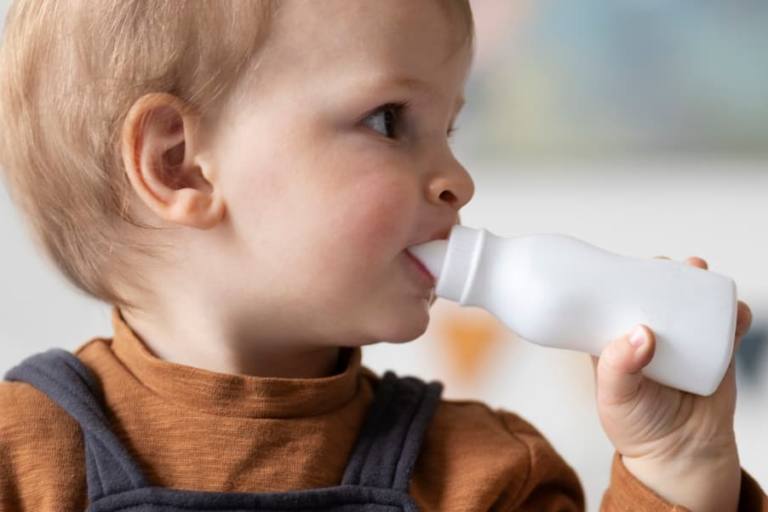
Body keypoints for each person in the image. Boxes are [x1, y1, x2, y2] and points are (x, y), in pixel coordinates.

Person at [0, 1, 765, 510]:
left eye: (451, 129)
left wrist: (679, 461)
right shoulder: (22, 462)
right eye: (391, 121)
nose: (459, 182)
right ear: (181, 165)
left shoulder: (486, 478)